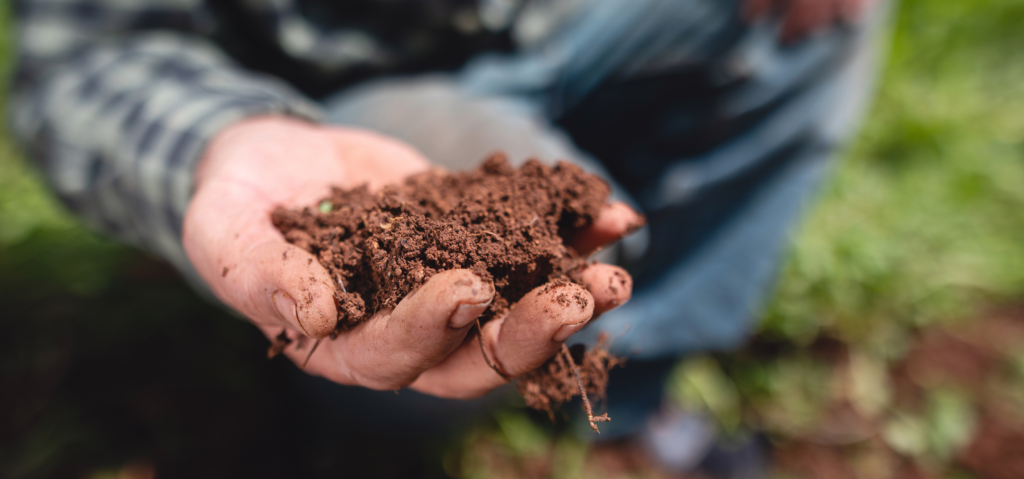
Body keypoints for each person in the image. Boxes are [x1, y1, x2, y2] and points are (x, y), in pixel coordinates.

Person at [10, 0, 887, 472]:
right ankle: (349, 418)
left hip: (556, 23)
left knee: (818, 18)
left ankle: (628, 396)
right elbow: (84, 62)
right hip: (339, 104)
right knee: (450, 326)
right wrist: (229, 137)